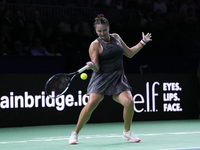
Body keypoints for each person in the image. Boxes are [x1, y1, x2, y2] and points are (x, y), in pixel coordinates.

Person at [68, 14, 152, 145]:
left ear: (108, 28)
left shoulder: (116, 37)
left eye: (104, 30)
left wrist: (143, 42)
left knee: (129, 102)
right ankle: (75, 133)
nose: (102, 33)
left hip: (118, 78)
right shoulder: (94, 45)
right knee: (91, 104)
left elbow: (129, 53)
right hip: (101, 79)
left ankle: (127, 132)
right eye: (99, 31)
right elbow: (97, 68)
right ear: (95, 31)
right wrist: (92, 65)